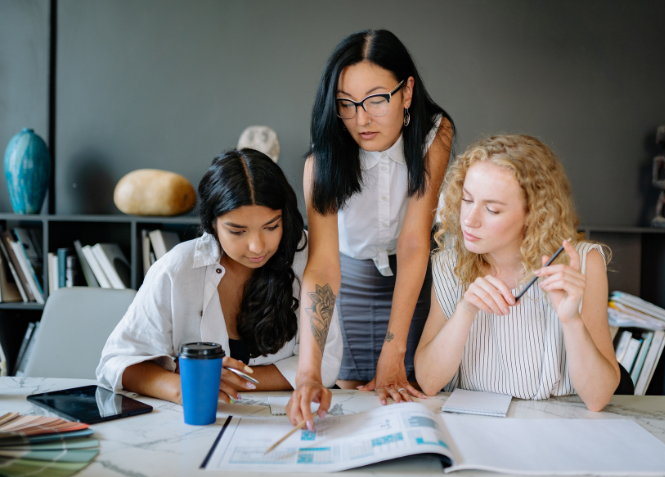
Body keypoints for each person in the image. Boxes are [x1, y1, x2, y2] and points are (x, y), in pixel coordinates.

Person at [287, 29, 454, 430]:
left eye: (377, 99)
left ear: (407, 92)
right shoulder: (321, 163)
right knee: (348, 394)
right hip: (350, 277)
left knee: (408, 391)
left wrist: (393, 352)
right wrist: (307, 373)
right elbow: (323, 267)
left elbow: (415, 242)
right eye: (346, 104)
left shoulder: (435, 135)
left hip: (415, 276)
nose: (361, 119)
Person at [97, 149, 342, 403]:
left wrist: (229, 383)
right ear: (212, 223)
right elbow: (115, 363)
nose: (257, 246)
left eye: (271, 227)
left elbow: (327, 362)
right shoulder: (178, 268)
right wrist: (184, 388)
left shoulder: (309, 260)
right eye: (238, 231)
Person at [414, 134, 619, 412]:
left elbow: (598, 397)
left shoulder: (583, 263)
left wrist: (570, 319)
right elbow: (428, 382)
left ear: (533, 214)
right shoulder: (449, 264)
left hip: (555, 425)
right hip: (473, 425)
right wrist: (465, 311)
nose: (469, 220)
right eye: (467, 199)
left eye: (492, 209)